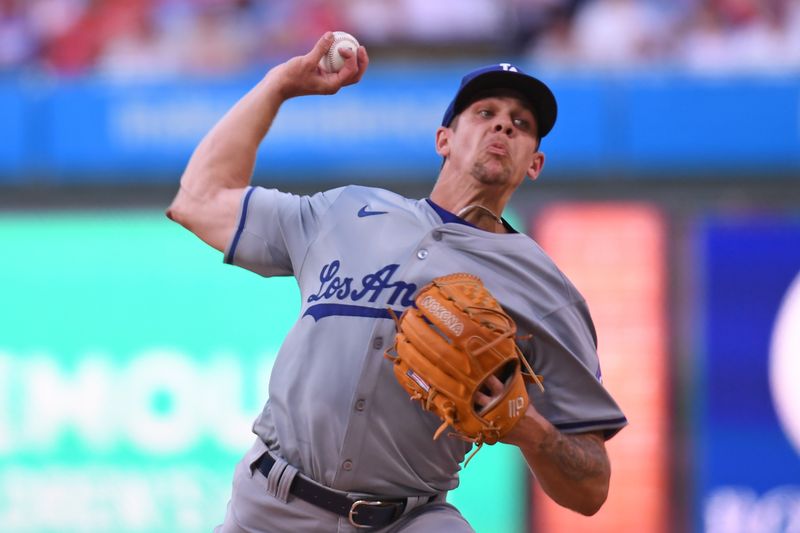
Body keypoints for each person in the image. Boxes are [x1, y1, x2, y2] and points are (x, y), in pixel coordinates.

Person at [167, 31, 627, 532]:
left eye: (521, 124)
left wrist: (530, 430)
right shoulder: (344, 212)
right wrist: (280, 85)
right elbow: (199, 200)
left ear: (534, 164)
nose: (502, 125)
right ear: (443, 139)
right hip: (270, 506)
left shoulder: (546, 290)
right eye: (484, 112)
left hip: (408, 519)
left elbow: (592, 490)